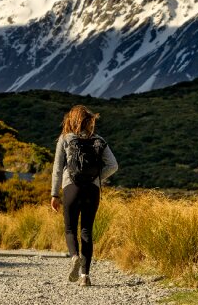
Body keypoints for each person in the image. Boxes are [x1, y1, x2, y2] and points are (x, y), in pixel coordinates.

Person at [50, 105, 118, 287]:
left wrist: (54, 194)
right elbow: (113, 166)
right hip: (92, 190)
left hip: (71, 187)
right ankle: (85, 277)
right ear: (90, 122)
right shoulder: (99, 141)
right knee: (87, 231)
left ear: (71, 120)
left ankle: (74, 257)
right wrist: (96, 178)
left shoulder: (65, 138)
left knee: (70, 229)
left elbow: (57, 169)